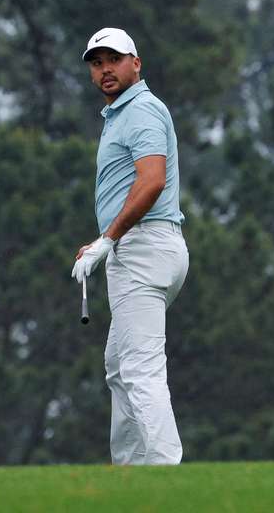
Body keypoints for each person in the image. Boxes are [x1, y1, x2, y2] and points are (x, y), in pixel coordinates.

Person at [71, 27, 189, 465]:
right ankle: (130, 474)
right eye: (97, 63)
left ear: (135, 64)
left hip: (143, 249)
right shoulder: (121, 114)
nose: (105, 70)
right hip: (143, 247)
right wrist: (102, 243)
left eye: (114, 60)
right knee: (120, 368)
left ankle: (164, 475)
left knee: (140, 369)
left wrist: (108, 239)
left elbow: (152, 180)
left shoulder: (140, 109)